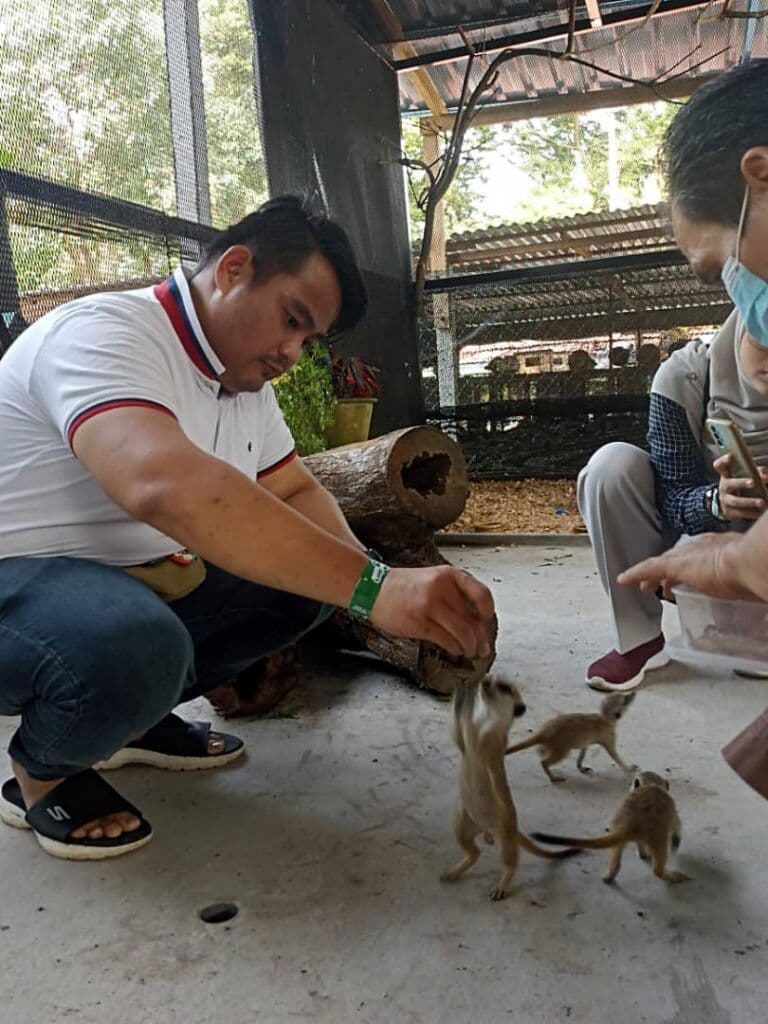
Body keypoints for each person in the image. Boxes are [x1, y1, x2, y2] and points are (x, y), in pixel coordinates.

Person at [0, 195, 495, 860]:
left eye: (308, 339)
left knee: (309, 586)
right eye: (291, 321)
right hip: (20, 581)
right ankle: (45, 766)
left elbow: (291, 488)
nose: (293, 353)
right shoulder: (105, 334)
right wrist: (375, 590)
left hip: (110, 586)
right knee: (133, 646)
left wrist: (376, 586)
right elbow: (162, 485)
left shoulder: (243, 389)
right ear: (234, 268)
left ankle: (126, 725)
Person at [577, 58, 768, 693]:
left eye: (722, 268)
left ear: (760, 179)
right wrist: (719, 506)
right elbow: (675, 494)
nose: (739, 294)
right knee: (612, 466)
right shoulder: (687, 376)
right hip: (734, 541)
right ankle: (640, 639)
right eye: (720, 282)